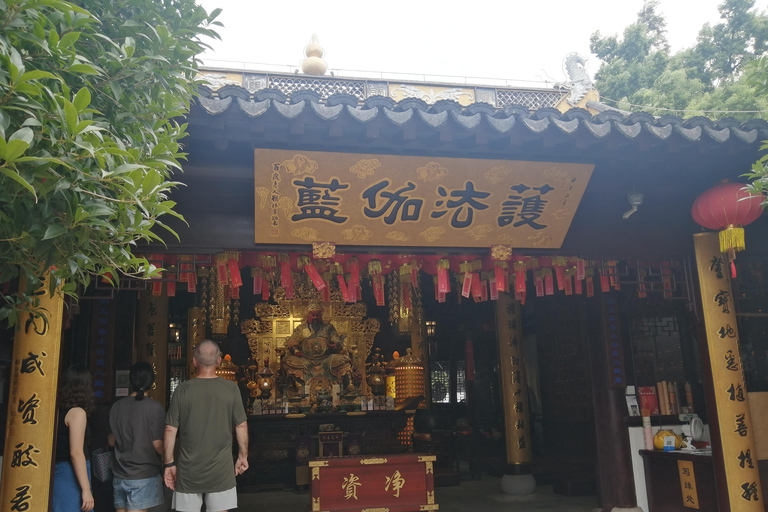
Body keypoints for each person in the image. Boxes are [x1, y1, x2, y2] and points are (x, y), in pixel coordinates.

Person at [163, 339, 248, 512]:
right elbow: (241, 426)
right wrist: (242, 456)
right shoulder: (231, 388)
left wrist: (169, 464)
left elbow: (170, 429)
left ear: (194, 361)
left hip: (188, 471)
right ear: (219, 361)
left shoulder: (183, 390)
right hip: (221, 471)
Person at [109, 362, 165, 512]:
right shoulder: (155, 408)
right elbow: (157, 444)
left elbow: (111, 441)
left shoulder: (117, 406)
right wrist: (170, 458)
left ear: (130, 380)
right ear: (152, 382)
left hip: (119, 474)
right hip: (143, 475)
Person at [282, 301, 353, 393]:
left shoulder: (329, 328)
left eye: (317, 315)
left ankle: (344, 387)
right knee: (288, 361)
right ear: (307, 315)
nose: (315, 318)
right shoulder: (301, 328)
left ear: (321, 315)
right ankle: (298, 387)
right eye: (313, 315)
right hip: (305, 359)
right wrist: (296, 351)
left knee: (345, 361)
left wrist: (335, 345)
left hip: (326, 359)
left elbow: (337, 340)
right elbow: (292, 341)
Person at [54, 364, 95, 512]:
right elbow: (76, 453)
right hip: (69, 474)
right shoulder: (77, 413)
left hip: (57, 471)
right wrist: (86, 489)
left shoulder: (56, 411)